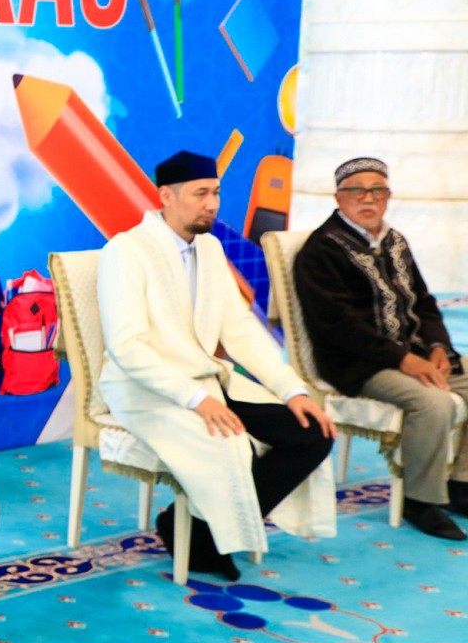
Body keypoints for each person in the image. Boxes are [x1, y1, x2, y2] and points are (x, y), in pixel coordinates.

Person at [97, 150, 336, 579]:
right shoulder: (125, 251)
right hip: (144, 389)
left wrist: (292, 390)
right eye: (200, 194)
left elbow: (240, 329)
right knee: (230, 443)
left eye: (216, 193)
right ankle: (204, 534)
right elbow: (127, 347)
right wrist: (194, 398)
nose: (212, 204)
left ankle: (191, 526)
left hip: (208, 380)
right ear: (166, 196)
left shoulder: (209, 247)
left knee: (312, 432)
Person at [293, 156, 468, 541]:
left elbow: (424, 303)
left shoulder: (394, 240)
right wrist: (403, 360)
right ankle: (420, 500)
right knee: (433, 403)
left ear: (388, 196)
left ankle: (460, 484)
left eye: (377, 190)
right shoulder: (321, 251)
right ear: (338, 197)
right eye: (356, 190)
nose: (367, 198)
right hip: (356, 364)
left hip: (412, 353)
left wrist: (439, 347)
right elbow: (337, 326)